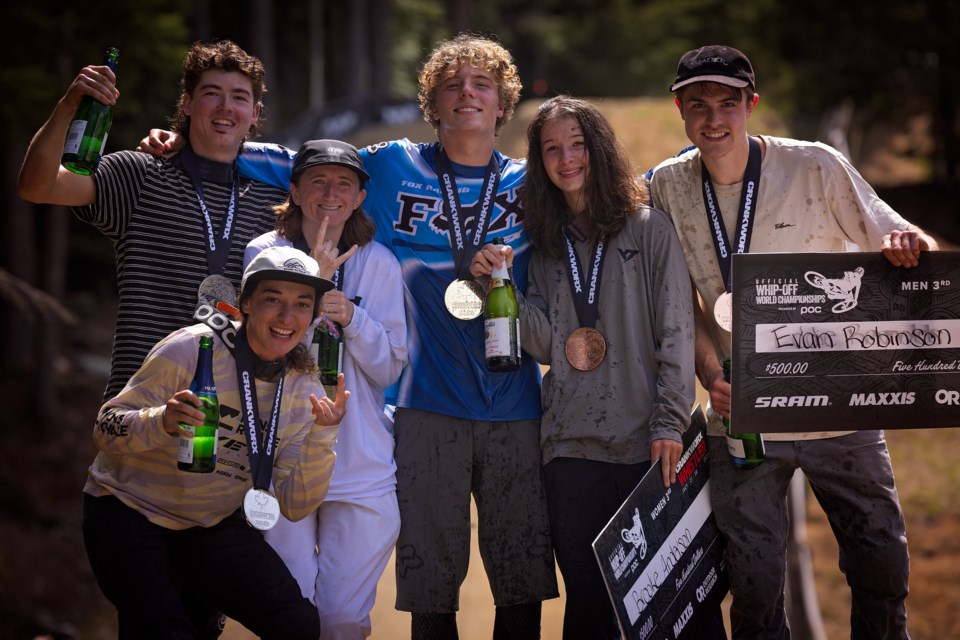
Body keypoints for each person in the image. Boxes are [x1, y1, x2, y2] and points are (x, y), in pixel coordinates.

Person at [138, 33, 558, 639]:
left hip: (513, 399)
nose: (467, 94)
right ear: (431, 105)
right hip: (423, 407)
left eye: (482, 84)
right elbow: (296, 163)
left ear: (503, 104)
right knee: (429, 590)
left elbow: (589, 186)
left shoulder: (531, 182)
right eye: (451, 85)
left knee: (518, 582)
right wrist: (191, 141)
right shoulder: (389, 164)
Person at [649, 45, 939, 638]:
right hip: (745, 416)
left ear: (751, 105)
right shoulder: (667, 187)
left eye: (728, 104)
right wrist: (712, 378)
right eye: (698, 104)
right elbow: (681, 307)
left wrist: (911, 246)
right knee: (753, 592)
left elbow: (910, 243)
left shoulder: (815, 166)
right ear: (679, 109)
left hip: (839, 404)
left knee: (881, 566)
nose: (714, 119)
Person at [470, 96, 724, 639]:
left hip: (648, 449)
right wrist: (496, 284)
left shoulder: (650, 229)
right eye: (552, 149)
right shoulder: (543, 247)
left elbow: (677, 334)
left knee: (680, 610)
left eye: (578, 144)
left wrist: (667, 423)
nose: (566, 159)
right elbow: (543, 345)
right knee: (591, 609)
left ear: (599, 149)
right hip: (569, 451)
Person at [82, 245, 349, 639]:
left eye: (301, 305)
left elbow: (295, 506)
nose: (287, 317)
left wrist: (324, 435)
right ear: (245, 304)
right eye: (273, 300)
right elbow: (106, 429)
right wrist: (162, 421)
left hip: (210, 526)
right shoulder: (190, 348)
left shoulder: (304, 387)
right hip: (129, 513)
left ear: (312, 315)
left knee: (298, 624)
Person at [17, 40, 287, 400]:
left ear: (254, 113)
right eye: (212, 93)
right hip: (140, 403)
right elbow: (38, 186)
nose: (225, 107)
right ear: (188, 104)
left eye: (239, 97)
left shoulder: (276, 200)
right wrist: (68, 107)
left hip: (232, 408)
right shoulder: (140, 173)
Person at [244, 139, 408, 639]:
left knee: (341, 621)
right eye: (317, 180)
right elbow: (256, 352)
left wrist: (353, 317)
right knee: (292, 615)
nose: (330, 193)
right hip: (283, 461)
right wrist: (314, 286)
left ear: (360, 196)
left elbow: (389, 370)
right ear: (294, 191)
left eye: (344, 183)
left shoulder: (378, 261)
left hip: (361, 466)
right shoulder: (265, 252)